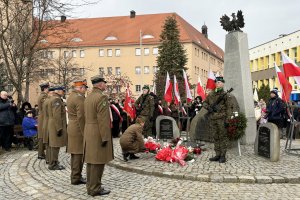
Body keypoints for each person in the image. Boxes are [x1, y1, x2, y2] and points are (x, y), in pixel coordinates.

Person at [84, 75, 113, 197]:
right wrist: (105, 136)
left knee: (91, 161)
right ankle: (95, 188)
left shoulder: (88, 97)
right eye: (104, 83)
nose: (105, 85)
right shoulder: (101, 98)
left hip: (89, 131)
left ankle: (90, 185)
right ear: (100, 84)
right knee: (98, 161)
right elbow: (103, 120)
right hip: (97, 132)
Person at [202, 77, 234, 163]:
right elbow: (204, 102)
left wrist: (227, 120)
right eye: (216, 82)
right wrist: (209, 108)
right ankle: (217, 154)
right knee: (215, 137)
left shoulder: (226, 95)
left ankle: (223, 155)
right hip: (213, 118)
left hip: (222, 118)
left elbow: (229, 109)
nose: (217, 84)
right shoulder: (211, 94)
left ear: (223, 83)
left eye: (219, 82)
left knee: (222, 137)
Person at [66, 79, 88, 185]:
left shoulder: (71, 96)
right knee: (78, 154)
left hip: (72, 126)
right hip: (78, 128)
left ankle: (75, 176)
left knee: (75, 154)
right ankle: (76, 177)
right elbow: (81, 117)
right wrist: (85, 131)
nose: (85, 91)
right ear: (81, 88)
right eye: (84, 88)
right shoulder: (79, 98)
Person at [48, 86, 67, 170]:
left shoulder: (53, 98)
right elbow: (57, 115)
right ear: (59, 91)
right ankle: (53, 164)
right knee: (55, 145)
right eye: (63, 91)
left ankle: (53, 162)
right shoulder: (56, 99)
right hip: (56, 124)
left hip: (53, 124)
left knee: (54, 145)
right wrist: (59, 128)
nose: (63, 92)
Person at [42, 86, 55, 164]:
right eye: (52, 93)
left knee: (48, 142)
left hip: (46, 121)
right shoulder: (49, 101)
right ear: (50, 93)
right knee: (50, 142)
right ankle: (50, 159)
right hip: (48, 122)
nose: (53, 94)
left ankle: (48, 159)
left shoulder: (46, 100)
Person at [37, 82, 49, 159]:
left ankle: (41, 153)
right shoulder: (43, 96)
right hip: (43, 117)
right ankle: (41, 153)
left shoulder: (42, 95)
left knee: (41, 135)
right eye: (48, 88)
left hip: (42, 116)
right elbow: (46, 106)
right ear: (45, 89)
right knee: (41, 136)